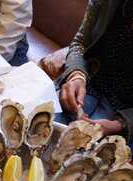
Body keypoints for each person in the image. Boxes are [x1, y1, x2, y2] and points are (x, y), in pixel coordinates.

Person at [40, 0, 133, 145]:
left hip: (125, 112)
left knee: (82, 155)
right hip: (89, 84)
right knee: (39, 127)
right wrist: (76, 75)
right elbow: (80, 43)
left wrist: (121, 124)